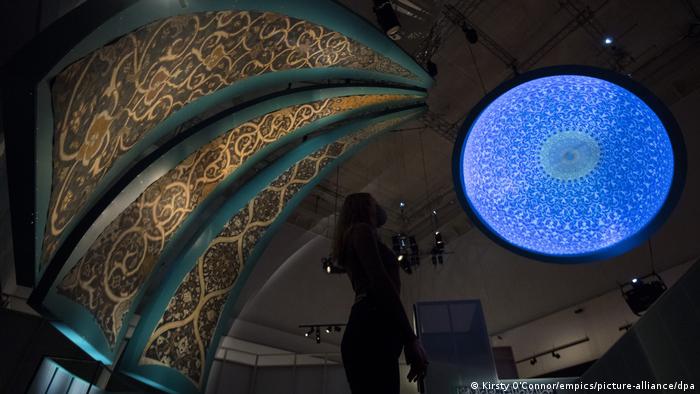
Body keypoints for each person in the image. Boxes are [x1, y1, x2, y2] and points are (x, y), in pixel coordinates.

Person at [333, 193, 429, 394]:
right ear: (363, 207)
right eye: (372, 202)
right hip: (373, 325)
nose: (377, 205)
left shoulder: (355, 235)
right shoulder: (361, 230)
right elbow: (380, 282)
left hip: (369, 324)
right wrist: (410, 338)